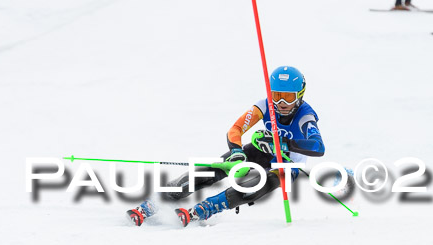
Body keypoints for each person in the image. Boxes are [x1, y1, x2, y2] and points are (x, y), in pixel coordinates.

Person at [126, 66, 326, 227]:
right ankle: (154, 203)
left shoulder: (306, 115)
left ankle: (205, 209)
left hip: (287, 163)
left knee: (255, 184)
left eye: (289, 97)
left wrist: (283, 143)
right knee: (213, 169)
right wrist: (237, 150)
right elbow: (236, 129)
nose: (281, 102)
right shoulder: (265, 106)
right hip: (260, 150)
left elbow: (318, 147)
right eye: (276, 95)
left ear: (300, 95)